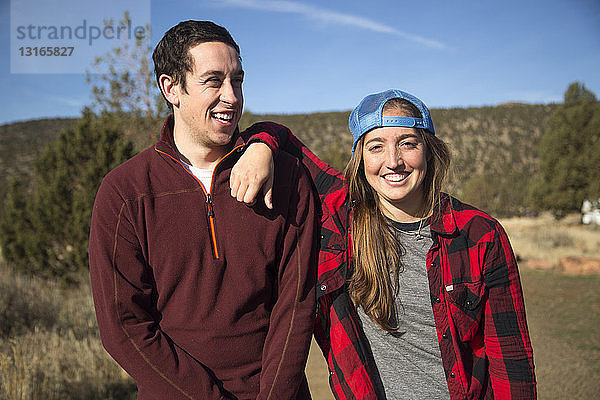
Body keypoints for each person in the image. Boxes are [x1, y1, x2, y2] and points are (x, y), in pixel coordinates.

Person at [232, 89, 537, 399]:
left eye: (407, 143)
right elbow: (276, 133)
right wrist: (261, 148)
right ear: (361, 158)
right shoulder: (340, 217)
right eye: (376, 147)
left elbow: (511, 361)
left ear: (428, 151)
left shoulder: (479, 234)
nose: (394, 161)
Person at [88, 20, 318, 400]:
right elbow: (124, 325)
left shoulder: (287, 179)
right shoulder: (125, 192)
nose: (232, 96)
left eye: (238, 80)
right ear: (171, 88)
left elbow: (295, 305)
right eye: (214, 81)